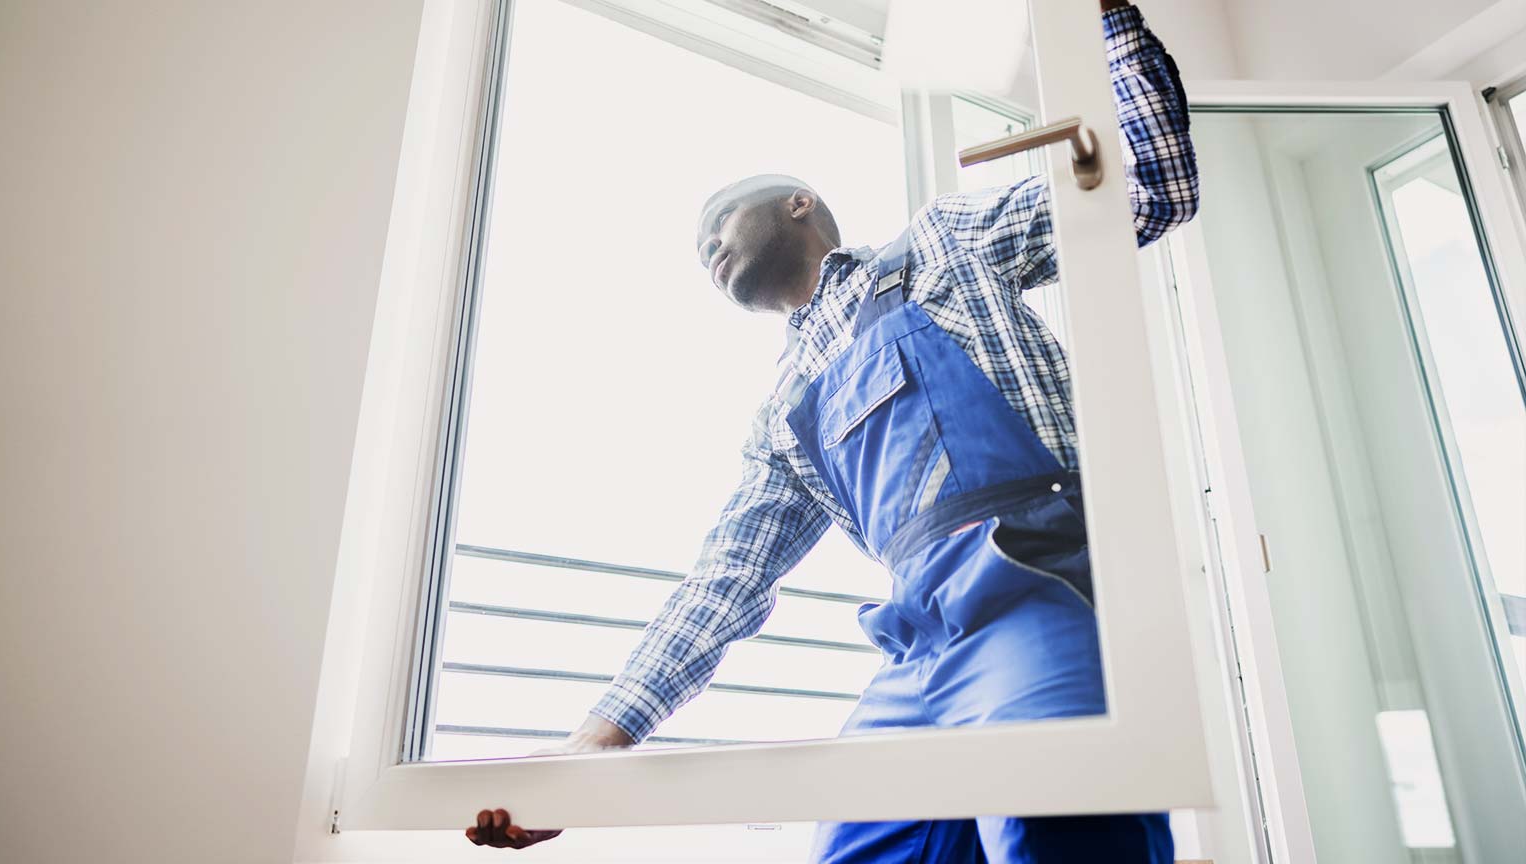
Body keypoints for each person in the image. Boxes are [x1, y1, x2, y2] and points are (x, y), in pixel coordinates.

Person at [467, 1, 1197, 859]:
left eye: (718, 224)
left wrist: (1102, 17)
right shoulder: (783, 416)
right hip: (914, 646)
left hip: (1036, 585)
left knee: (1054, 829)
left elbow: (1154, 185)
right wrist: (592, 748)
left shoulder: (942, 247)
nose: (705, 248)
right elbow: (725, 582)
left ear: (798, 206)